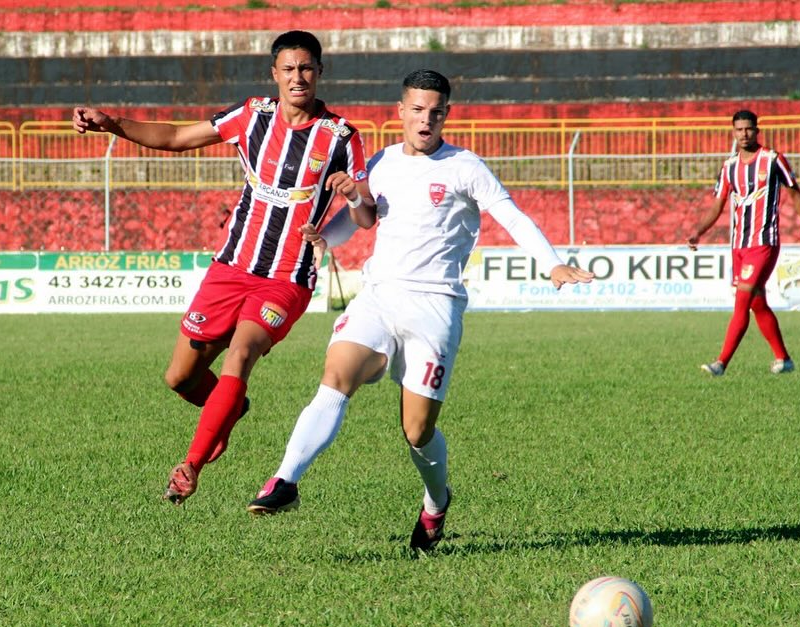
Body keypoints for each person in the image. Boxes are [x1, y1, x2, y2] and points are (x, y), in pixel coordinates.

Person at [246, 69, 595, 550]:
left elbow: (510, 215)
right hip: (379, 295)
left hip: (435, 306)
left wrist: (552, 264)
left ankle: (436, 501)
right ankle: (284, 481)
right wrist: (327, 237)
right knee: (337, 375)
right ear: (401, 112)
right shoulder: (382, 161)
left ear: (446, 115)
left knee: (416, 430)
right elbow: (363, 218)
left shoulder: (465, 167)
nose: (425, 119)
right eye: (416, 109)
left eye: (435, 111)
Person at [71, 30, 371, 504]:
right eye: (289, 69)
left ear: (319, 72)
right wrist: (112, 123)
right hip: (230, 267)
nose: (298, 77)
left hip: (286, 276)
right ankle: (229, 407)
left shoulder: (341, 136)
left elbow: (367, 215)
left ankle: (189, 466)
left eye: (307, 68)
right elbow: (174, 137)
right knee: (180, 377)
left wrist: (355, 197)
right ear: (274, 74)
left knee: (241, 355)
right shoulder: (252, 115)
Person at [688, 109, 800, 376]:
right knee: (757, 303)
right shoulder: (728, 167)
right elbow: (717, 205)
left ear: (757, 130)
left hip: (764, 243)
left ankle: (721, 363)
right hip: (739, 245)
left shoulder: (772, 160)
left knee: (741, 301)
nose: (744, 134)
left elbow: (795, 195)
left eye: (748, 129)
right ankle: (784, 359)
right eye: (739, 130)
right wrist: (698, 231)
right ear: (733, 132)